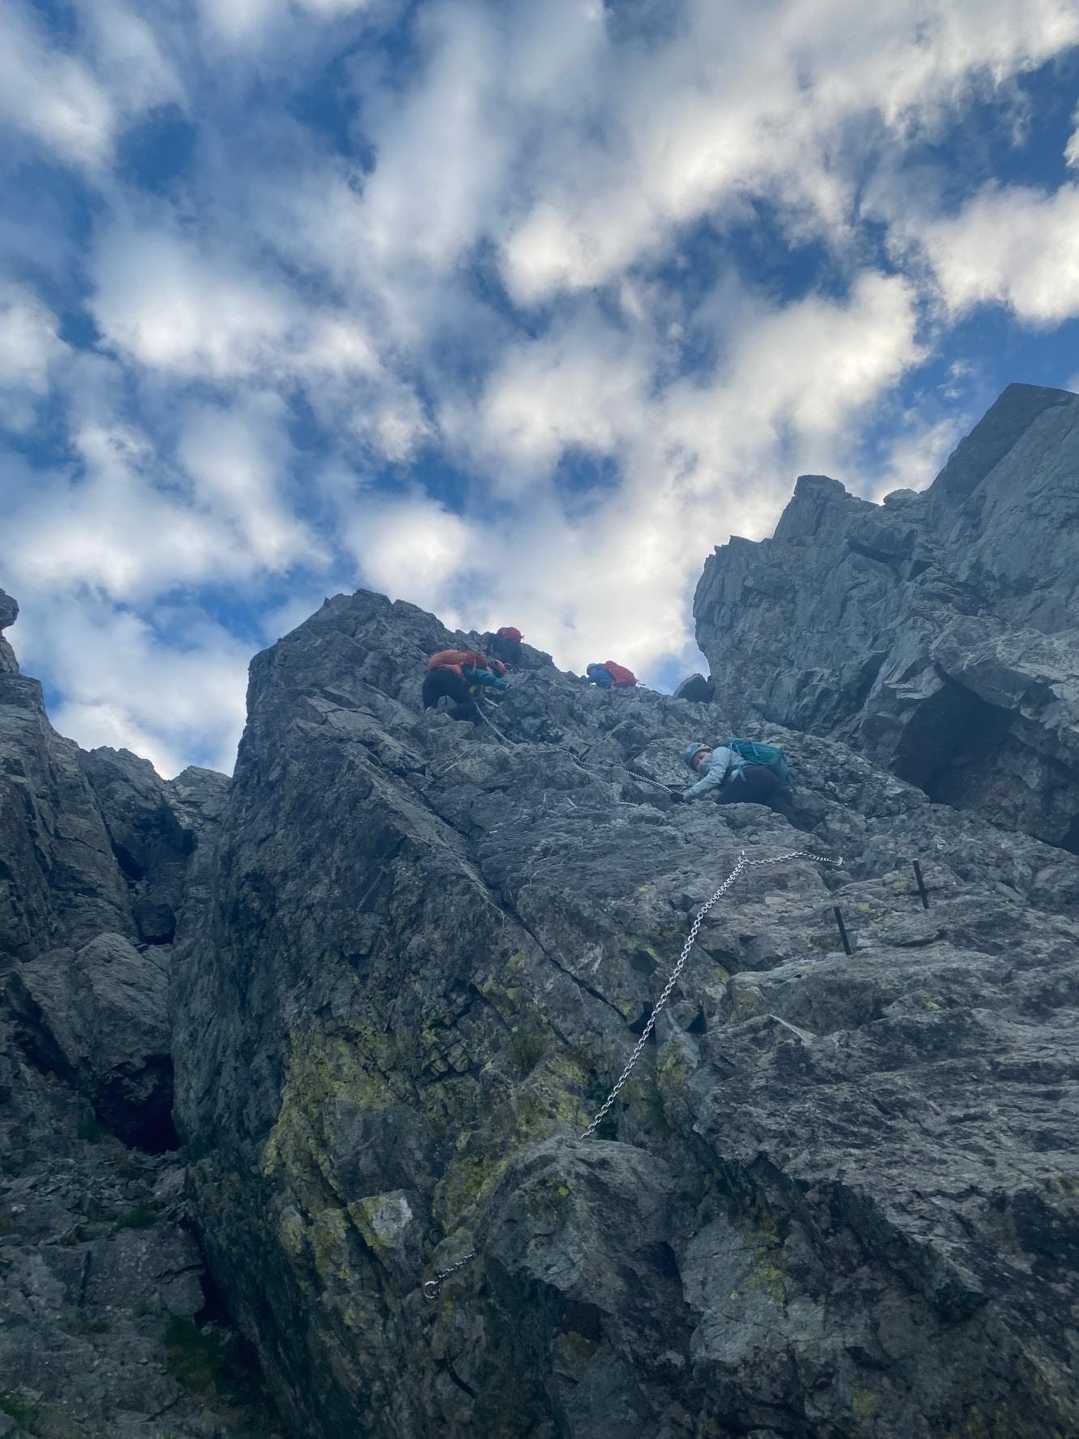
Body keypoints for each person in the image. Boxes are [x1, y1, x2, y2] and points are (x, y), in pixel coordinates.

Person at [682, 741, 787, 810]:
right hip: (766, 780)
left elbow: (715, 778)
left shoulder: (719, 751)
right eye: (697, 764)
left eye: (701, 757)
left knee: (719, 809)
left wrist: (687, 794)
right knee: (786, 813)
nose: (701, 763)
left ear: (709, 750)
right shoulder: (714, 776)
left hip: (751, 776)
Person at [423, 649, 508, 721]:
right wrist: (504, 685)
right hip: (446, 677)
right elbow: (488, 678)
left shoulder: (466, 663)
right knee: (470, 705)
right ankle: (446, 717)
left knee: (429, 711)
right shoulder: (483, 669)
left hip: (431, 677)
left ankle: (428, 722)